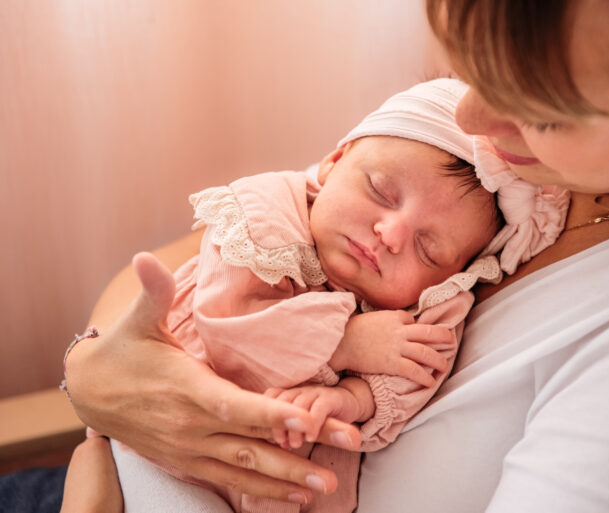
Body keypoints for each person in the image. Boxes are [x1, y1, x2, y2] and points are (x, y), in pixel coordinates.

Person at [58, 1, 609, 512]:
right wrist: (99, 375)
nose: (472, 119)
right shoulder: (530, 159)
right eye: (469, 59)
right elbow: (204, 251)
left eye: (542, 107)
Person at [60, 78, 567, 513]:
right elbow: (227, 324)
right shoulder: (266, 219)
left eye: (428, 249)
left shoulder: (429, 303)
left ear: (454, 273)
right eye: (380, 191)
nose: (390, 233)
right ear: (333, 162)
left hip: (295, 488)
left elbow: (418, 374)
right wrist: (344, 342)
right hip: (166, 463)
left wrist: (354, 397)